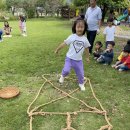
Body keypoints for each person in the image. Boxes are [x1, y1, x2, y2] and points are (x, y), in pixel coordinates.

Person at [55, 18, 90, 91]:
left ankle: (81, 83)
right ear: (75, 27)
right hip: (69, 59)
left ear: (84, 28)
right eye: (78, 27)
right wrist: (57, 49)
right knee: (66, 70)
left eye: (82, 27)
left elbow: (87, 48)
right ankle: (62, 76)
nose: (80, 29)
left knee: (80, 73)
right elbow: (64, 43)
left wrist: (87, 57)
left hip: (78, 60)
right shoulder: (72, 36)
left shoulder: (85, 39)